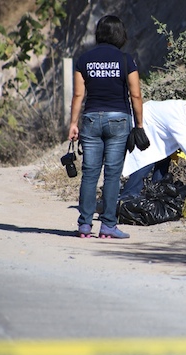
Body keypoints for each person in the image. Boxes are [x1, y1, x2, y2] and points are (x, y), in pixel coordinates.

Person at [68, 15, 143, 239]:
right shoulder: (125, 59)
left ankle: (84, 225)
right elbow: (136, 94)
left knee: (89, 174)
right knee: (112, 175)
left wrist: (73, 123)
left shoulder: (85, 60)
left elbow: (78, 94)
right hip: (118, 121)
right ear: (120, 34)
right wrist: (139, 124)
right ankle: (108, 225)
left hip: (90, 119)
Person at [120, 99, 186, 199]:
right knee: (144, 163)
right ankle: (127, 199)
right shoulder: (177, 120)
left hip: (157, 130)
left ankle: (157, 193)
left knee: (164, 159)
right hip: (144, 124)